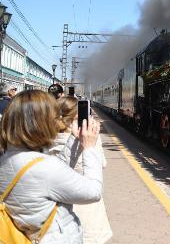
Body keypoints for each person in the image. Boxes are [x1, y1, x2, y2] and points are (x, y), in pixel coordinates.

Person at [0, 90, 102, 243]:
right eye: (54, 117)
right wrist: (89, 148)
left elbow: (52, 173)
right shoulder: (44, 168)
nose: (58, 121)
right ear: (40, 123)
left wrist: (74, 140)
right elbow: (93, 192)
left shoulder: (7, 157)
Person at [48, 96, 112, 244]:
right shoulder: (90, 140)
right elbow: (102, 164)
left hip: (58, 218)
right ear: (79, 118)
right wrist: (92, 143)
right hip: (87, 210)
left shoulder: (46, 141)